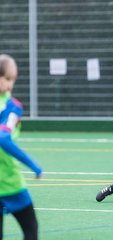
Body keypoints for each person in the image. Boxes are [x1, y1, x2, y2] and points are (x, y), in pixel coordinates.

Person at [0, 54, 42, 240]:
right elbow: (3, 139)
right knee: (30, 228)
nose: (10, 84)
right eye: (7, 78)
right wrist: (33, 164)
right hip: (8, 181)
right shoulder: (12, 106)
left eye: (13, 80)